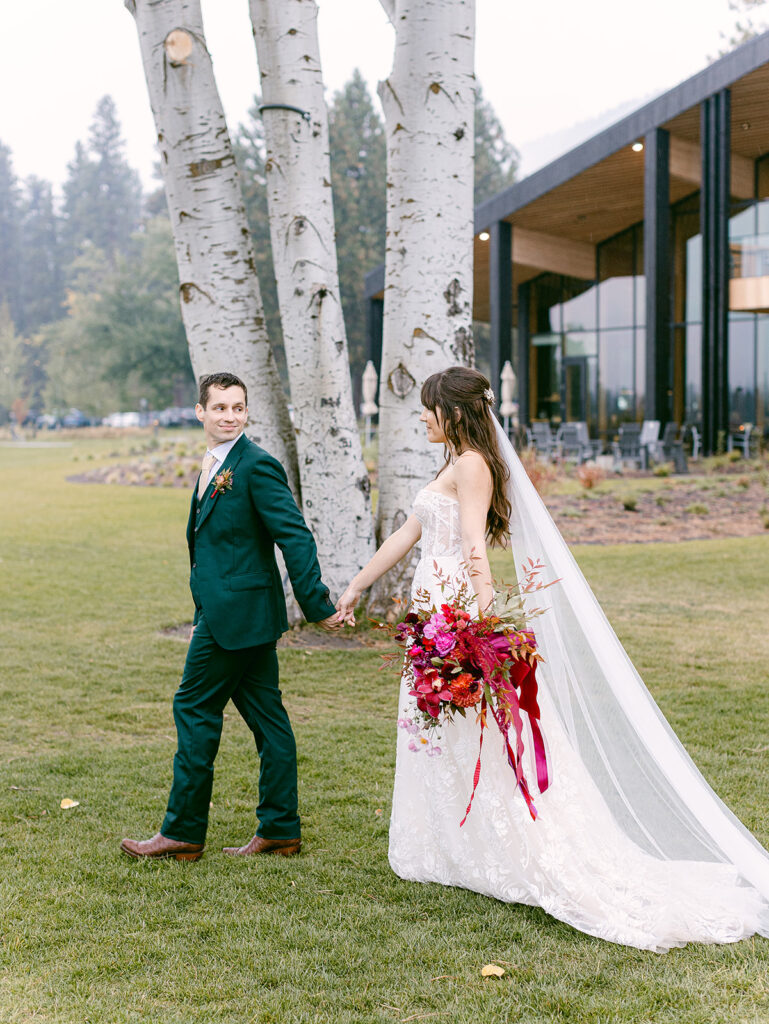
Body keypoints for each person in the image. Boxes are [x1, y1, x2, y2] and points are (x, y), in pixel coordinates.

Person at [336, 366, 769, 951]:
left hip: (454, 615)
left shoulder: (471, 465)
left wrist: (480, 626)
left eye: (427, 407)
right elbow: (409, 533)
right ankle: (456, 845)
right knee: (443, 734)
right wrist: (357, 586)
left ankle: (506, 847)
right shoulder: (453, 461)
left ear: (454, 412)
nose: (421, 416)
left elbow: (472, 546)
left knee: (479, 734)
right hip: (433, 615)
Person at [122, 372, 340, 862]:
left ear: (246, 411)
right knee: (270, 722)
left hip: (235, 617)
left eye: (238, 408)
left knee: (194, 709)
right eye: (220, 408)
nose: (230, 416)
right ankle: (281, 829)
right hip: (241, 614)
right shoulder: (217, 463)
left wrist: (317, 605)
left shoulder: (256, 466)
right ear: (201, 411)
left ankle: (181, 832)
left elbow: (295, 536)